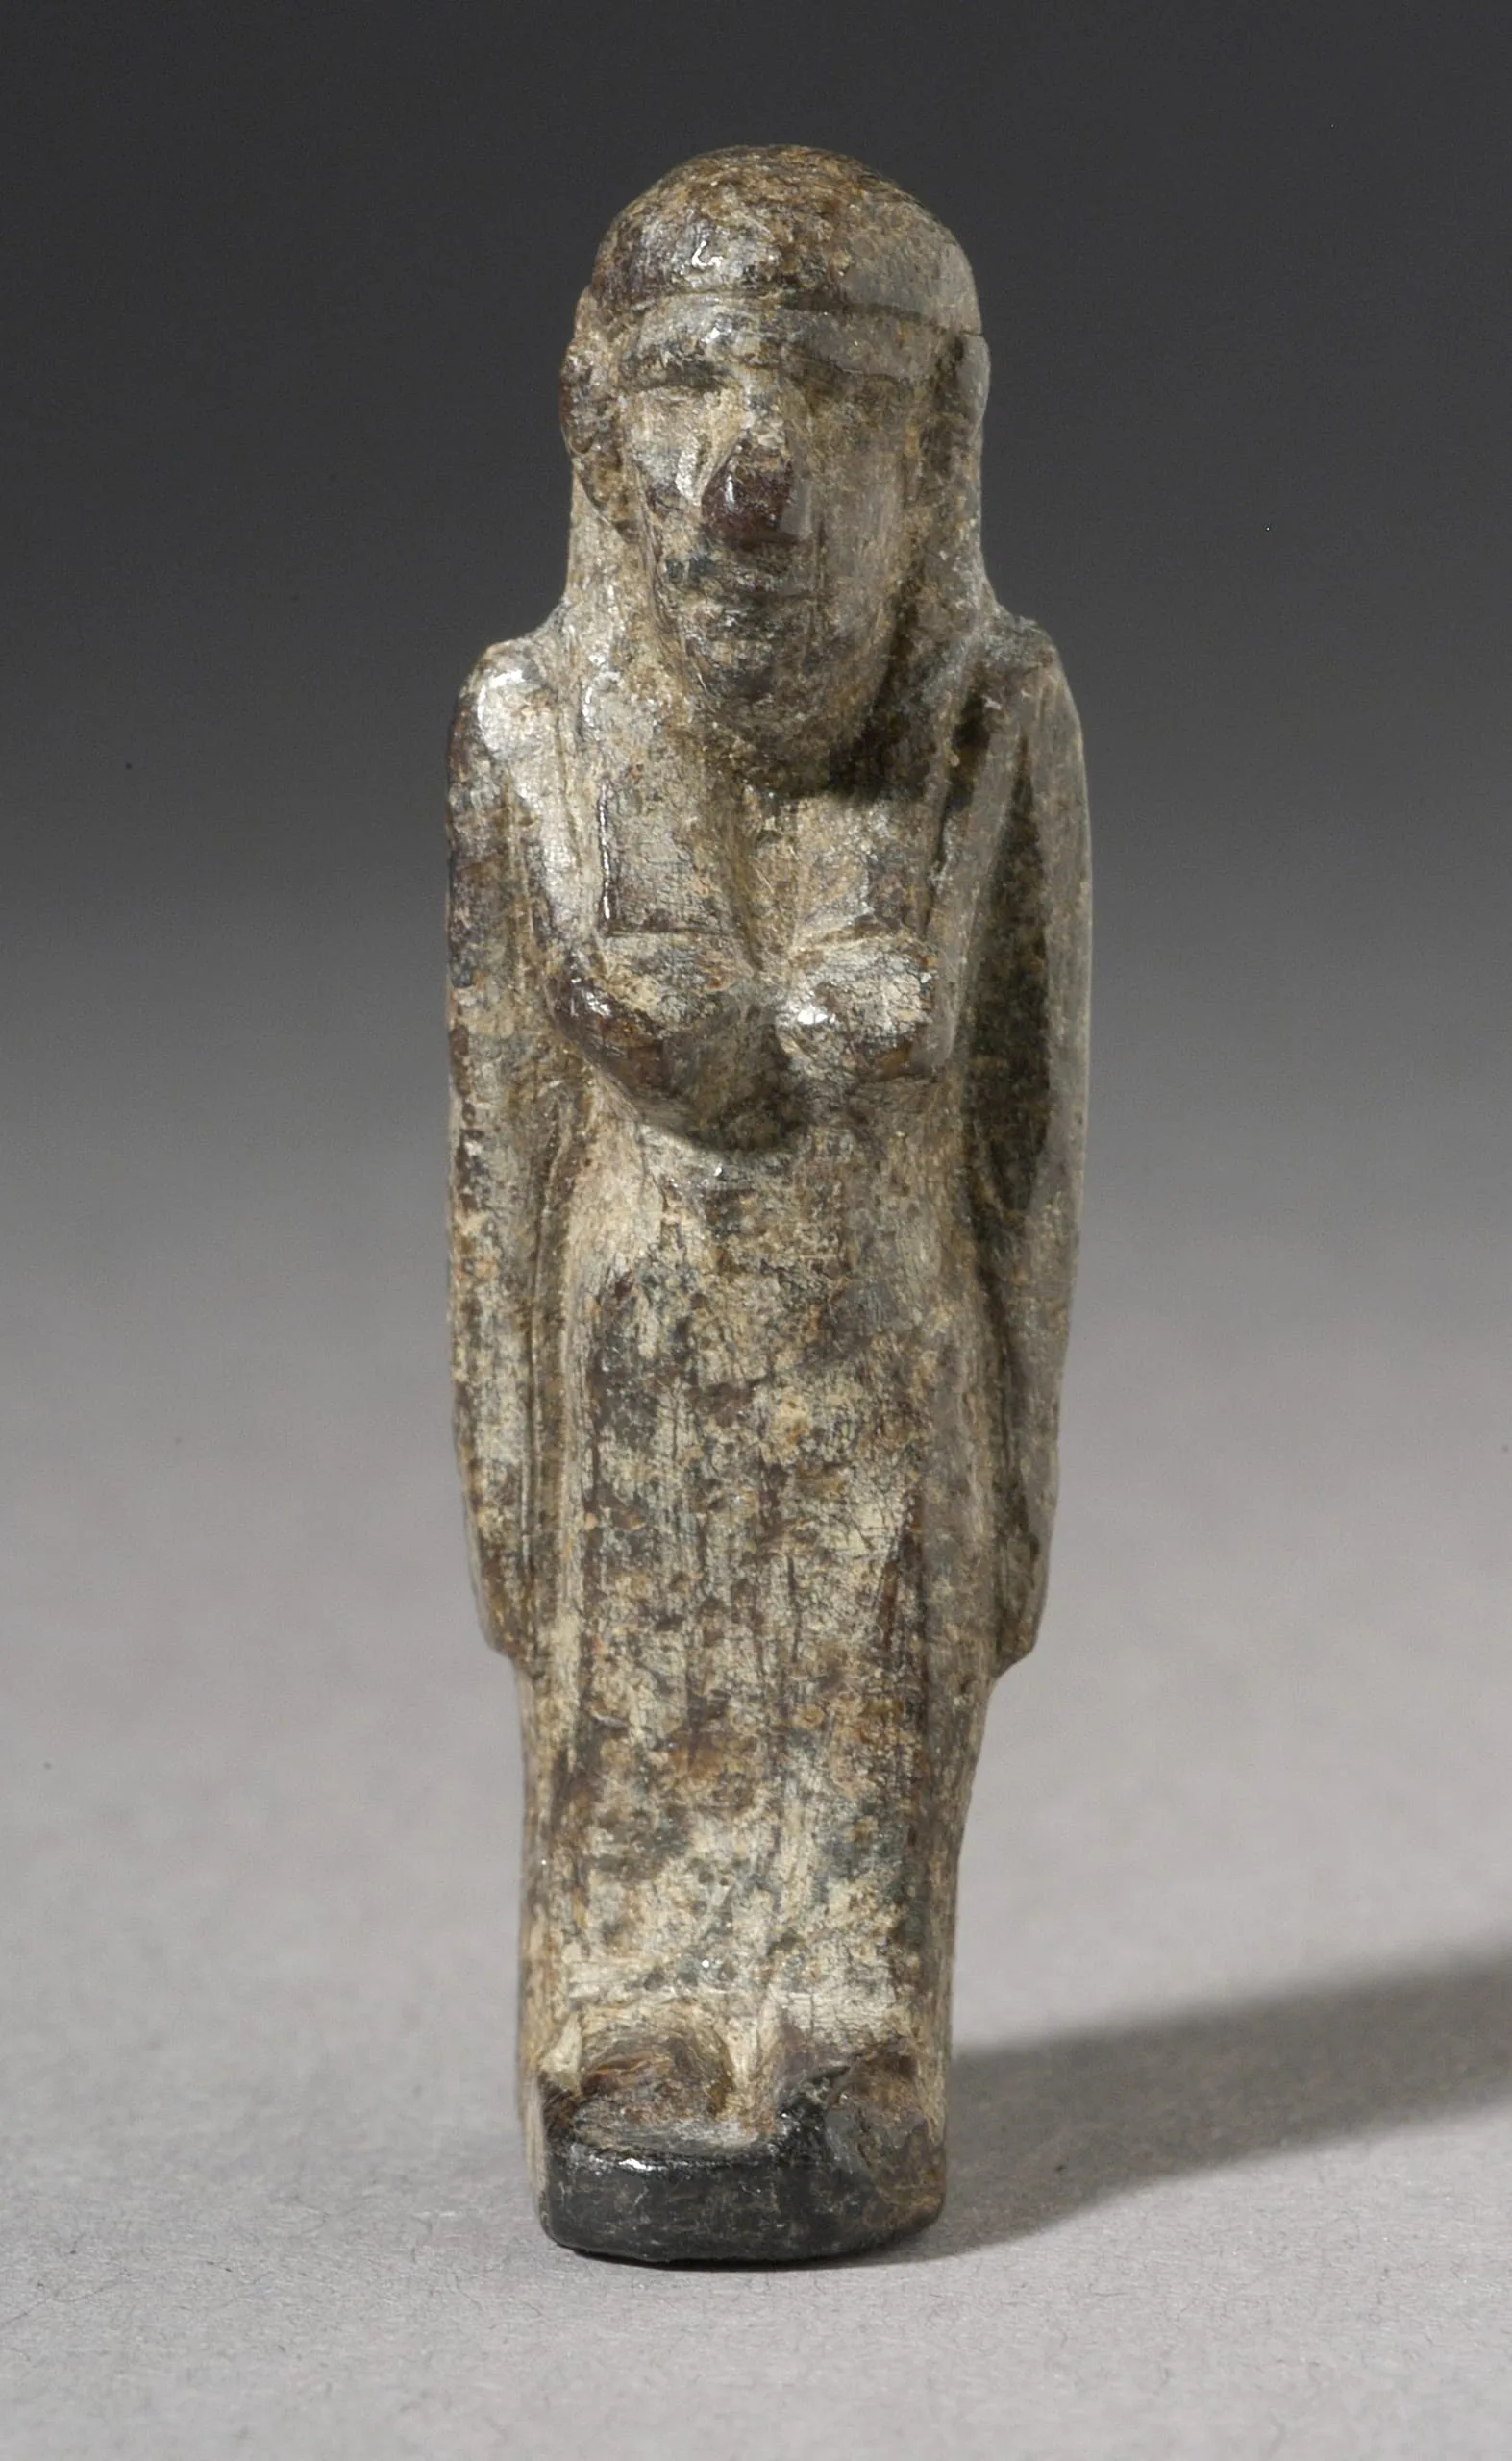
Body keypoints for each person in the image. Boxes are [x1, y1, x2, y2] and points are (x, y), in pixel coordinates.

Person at [448, 145, 1089, 2259]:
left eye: (829, 394)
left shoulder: (985, 723)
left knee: (850, 1747)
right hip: (629, 1397)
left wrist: (1015, 1496)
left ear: (941, 438)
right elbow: (500, 1164)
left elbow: (1022, 1154)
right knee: (646, 1727)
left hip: (886, 1398)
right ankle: (625, 2002)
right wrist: (507, 1480)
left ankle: (851, 2016)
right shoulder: (539, 731)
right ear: (593, 423)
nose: (750, 481)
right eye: (691, 387)